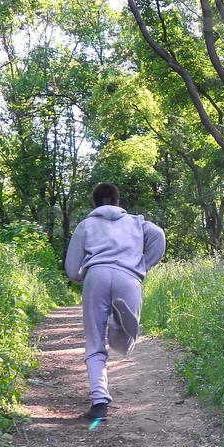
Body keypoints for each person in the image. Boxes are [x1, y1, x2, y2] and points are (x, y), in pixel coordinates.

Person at [64, 182, 166, 427]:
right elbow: (159, 236)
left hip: (96, 275)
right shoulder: (135, 222)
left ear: (95, 204)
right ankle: (118, 324)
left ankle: (99, 404)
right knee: (124, 345)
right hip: (128, 278)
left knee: (95, 343)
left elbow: (71, 269)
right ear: (118, 203)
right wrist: (143, 265)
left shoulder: (85, 225)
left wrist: (81, 275)